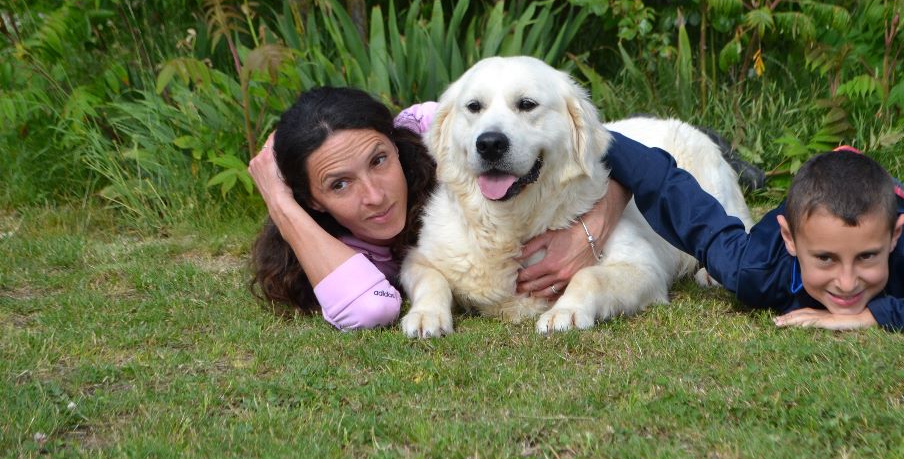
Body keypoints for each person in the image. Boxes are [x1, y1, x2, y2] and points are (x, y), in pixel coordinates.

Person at [247, 88, 624, 330]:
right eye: (339, 184)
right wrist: (282, 204)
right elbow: (368, 310)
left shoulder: (437, 130)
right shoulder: (335, 248)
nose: (375, 196)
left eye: (379, 160)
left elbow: (603, 147)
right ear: (312, 200)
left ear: (396, 143)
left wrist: (597, 222)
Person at [603, 135, 904, 335]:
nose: (846, 283)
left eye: (866, 258)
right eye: (825, 259)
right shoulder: (757, 266)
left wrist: (875, 314)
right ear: (790, 240)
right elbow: (671, 188)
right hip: (834, 205)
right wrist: (589, 130)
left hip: (889, 208)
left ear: (893, 238)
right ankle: (852, 163)